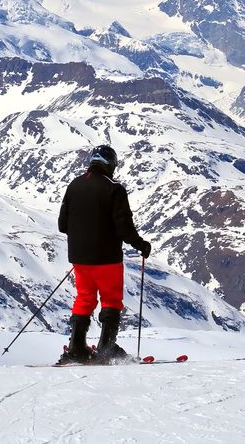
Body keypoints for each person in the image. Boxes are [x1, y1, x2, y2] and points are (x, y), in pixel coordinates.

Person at [56, 144, 152, 364]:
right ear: (112, 164)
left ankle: (76, 348)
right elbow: (123, 228)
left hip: (79, 258)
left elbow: (62, 225)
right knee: (111, 300)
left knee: (84, 298)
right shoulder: (114, 188)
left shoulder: (74, 186)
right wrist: (141, 244)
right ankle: (106, 348)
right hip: (107, 258)